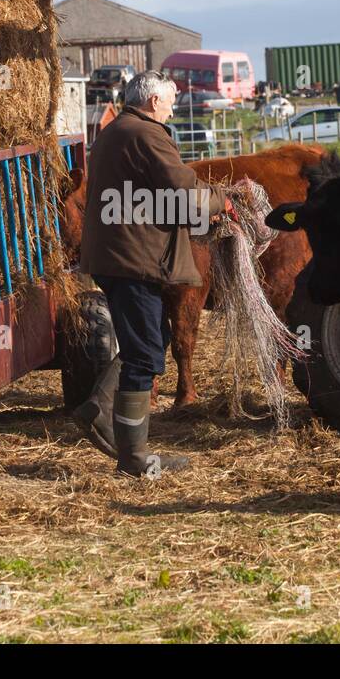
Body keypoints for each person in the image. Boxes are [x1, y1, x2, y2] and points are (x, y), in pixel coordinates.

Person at [73, 70, 231, 477]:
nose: (173, 106)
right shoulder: (147, 134)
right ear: (152, 101)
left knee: (153, 336)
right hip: (133, 258)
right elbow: (182, 193)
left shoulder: (117, 130)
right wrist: (221, 200)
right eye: (170, 100)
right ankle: (134, 459)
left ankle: (99, 405)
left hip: (117, 254)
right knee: (145, 355)